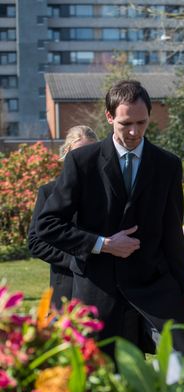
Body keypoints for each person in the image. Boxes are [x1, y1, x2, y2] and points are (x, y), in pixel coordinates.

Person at [37, 80, 184, 356]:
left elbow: (172, 233)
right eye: (125, 123)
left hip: (154, 287)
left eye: (141, 122)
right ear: (109, 117)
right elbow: (47, 225)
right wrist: (103, 243)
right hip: (99, 290)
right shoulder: (82, 162)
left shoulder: (167, 165)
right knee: (105, 382)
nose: (134, 132)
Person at [27, 125, 98, 309]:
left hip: (101, 289)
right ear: (67, 153)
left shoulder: (106, 192)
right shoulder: (49, 191)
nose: (85, 160)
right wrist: (74, 261)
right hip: (66, 287)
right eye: (79, 154)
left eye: (91, 154)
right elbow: (36, 242)